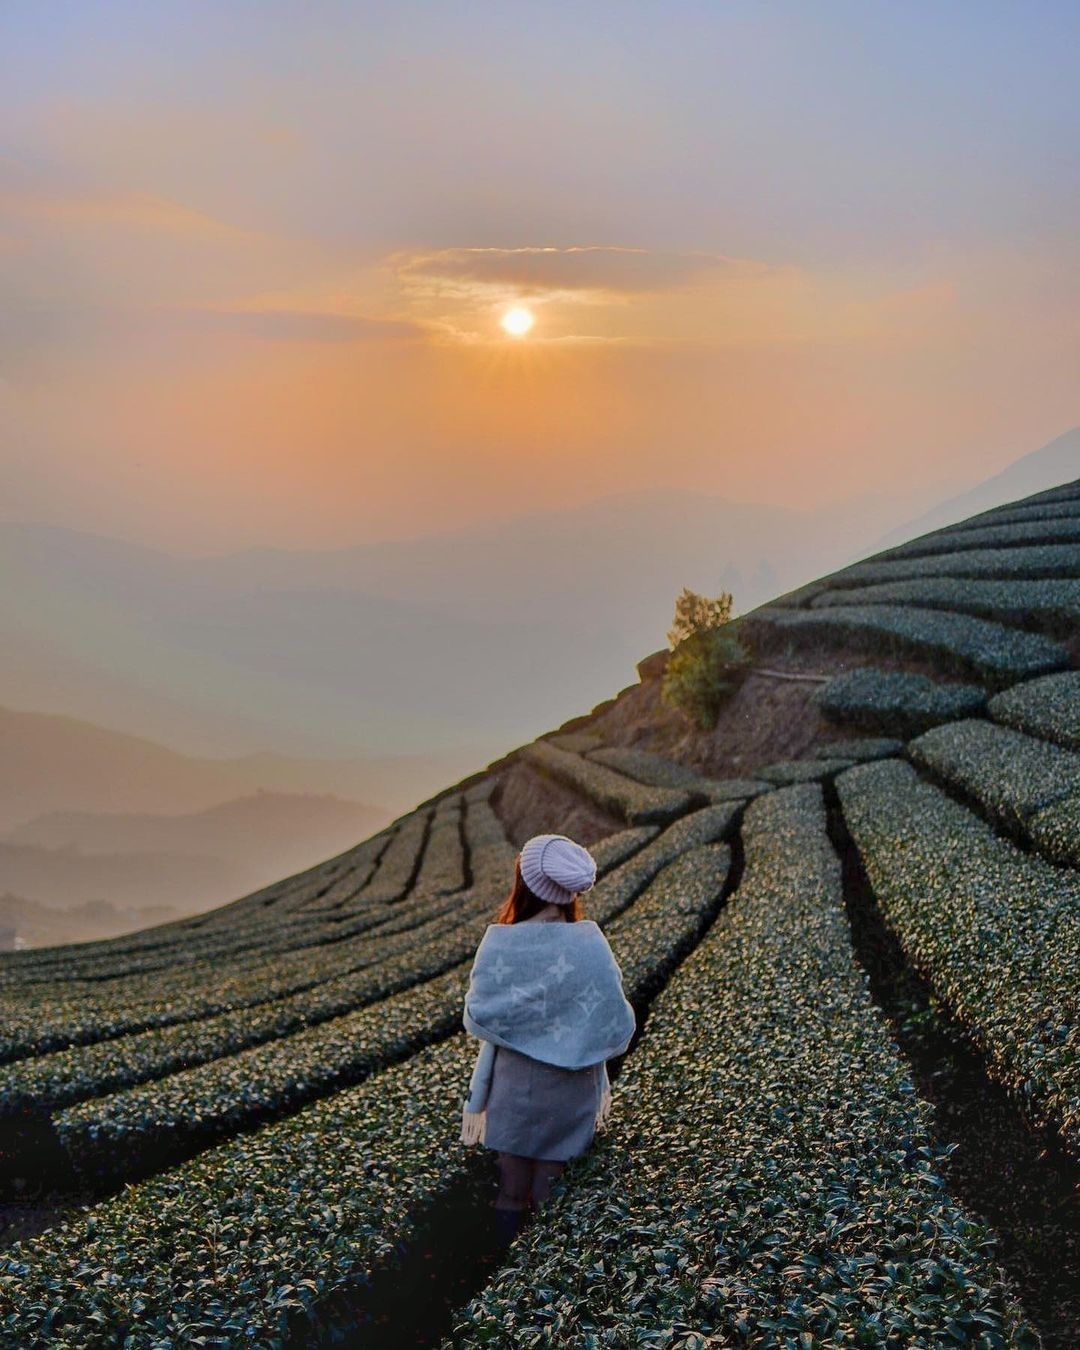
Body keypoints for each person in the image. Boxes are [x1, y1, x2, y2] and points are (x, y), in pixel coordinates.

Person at [459, 833, 637, 1245]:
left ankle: (502, 1283)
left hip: (513, 1087)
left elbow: (477, 1016)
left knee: (511, 1189)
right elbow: (617, 1020)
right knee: (550, 1193)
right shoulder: (589, 943)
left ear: (524, 881)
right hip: (571, 1089)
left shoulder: (500, 942)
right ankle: (538, 1280)